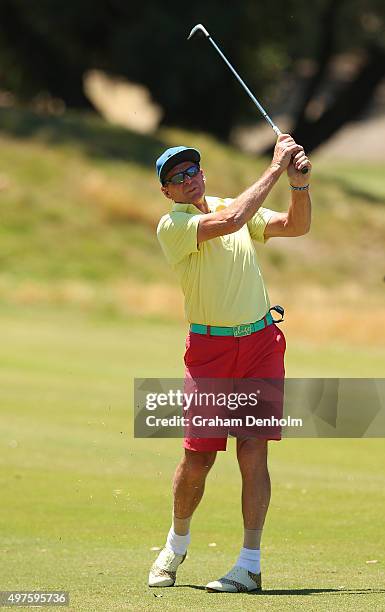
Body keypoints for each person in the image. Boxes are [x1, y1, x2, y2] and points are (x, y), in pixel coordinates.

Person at [148, 135, 311, 593]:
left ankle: (250, 564)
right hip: (210, 353)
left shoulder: (225, 203)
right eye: (177, 177)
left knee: (253, 449)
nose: (189, 179)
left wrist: (299, 187)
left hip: (261, 343)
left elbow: (294, 227)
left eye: (193, 170)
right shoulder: (173, 225)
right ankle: (176, 544)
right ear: (167, 191)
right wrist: (276, 166)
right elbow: (233, 219)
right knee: (198, 457)